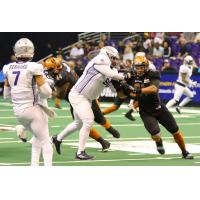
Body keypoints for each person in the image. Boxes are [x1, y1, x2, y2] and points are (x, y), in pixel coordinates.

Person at [43, 55, 122, 157]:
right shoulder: (64, 67)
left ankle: (58, 139)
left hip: (82, 96)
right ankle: (84, 149)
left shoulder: (61, 76)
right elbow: (70, 65)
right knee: (85, 122)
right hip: (80, 96)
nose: (48, 72)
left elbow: (60, 95)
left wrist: (51, 91)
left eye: (50, 70)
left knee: (83, 122)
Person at [120, 56, 193, 159]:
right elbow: (122, 95)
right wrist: (121, 86)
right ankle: (159, 142)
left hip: (159, 108)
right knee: (155, 134)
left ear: (146, 66)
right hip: (145, 111)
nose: (139, 70)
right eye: (137, 67)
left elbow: (153, 88)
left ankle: (184, 152)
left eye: (141, 67)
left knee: (175, 131)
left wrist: (138, 91)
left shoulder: (153, 73)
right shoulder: (131, 76)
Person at [3, 38, 53, 166]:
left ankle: (34, 165)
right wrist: (46, 83)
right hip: (32, 109)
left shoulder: (8, 68)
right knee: (46, 141)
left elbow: (6, 94)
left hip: (18, 112)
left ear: (16, 52)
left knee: (37, 138)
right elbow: (46, 93)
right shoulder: (34, 67)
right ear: (32, 52)